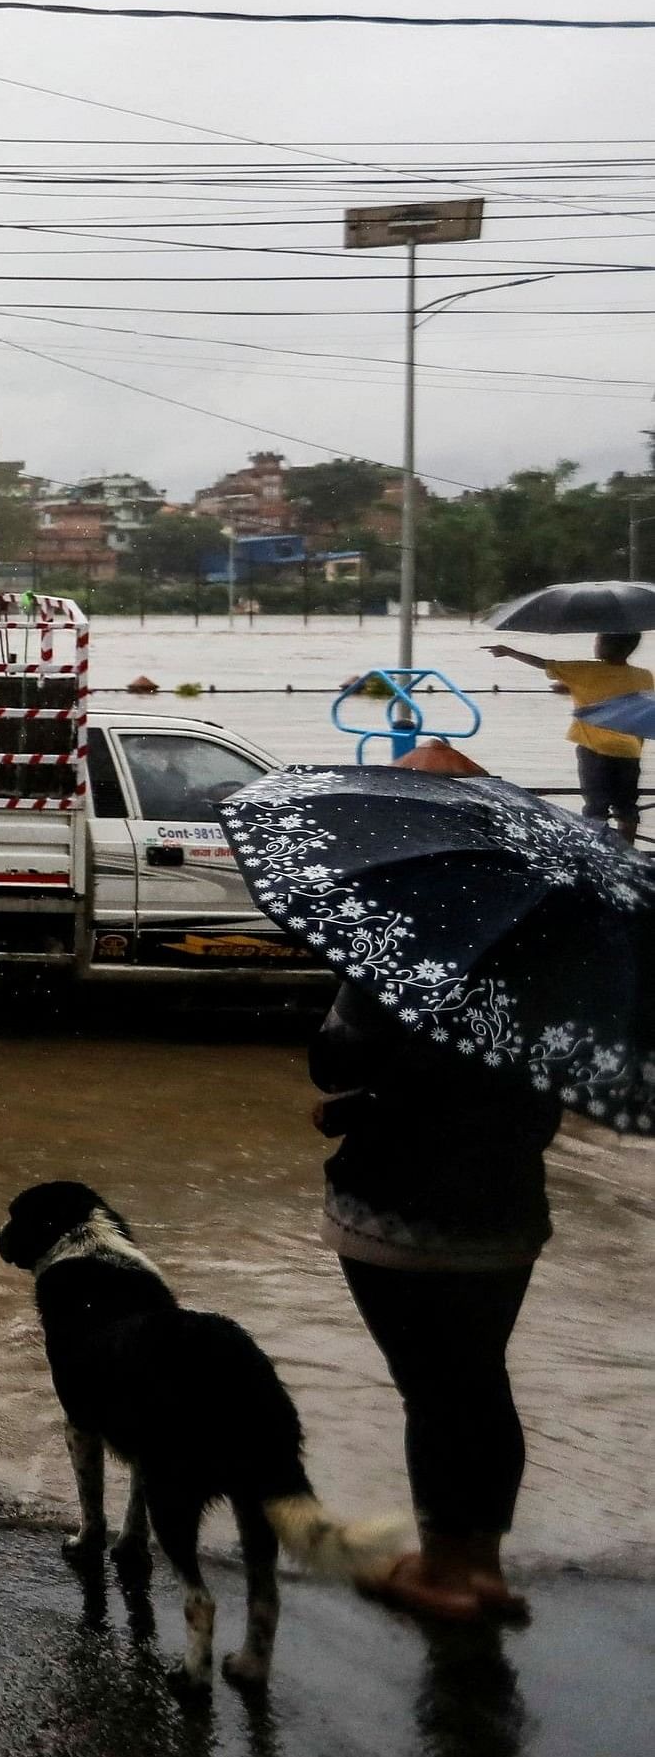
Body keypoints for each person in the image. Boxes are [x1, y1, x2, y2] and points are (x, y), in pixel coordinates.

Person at [310, 979, 557, 1624]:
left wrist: (356, 989)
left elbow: (333, 1060)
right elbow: (520, 1109)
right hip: (505, 1217)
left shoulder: (408, 952)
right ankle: (483, 1569)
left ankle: (441, 1573)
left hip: (396, 1215)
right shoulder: (558, 973)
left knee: (430, 1390)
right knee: (480, 1379)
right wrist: (362, 1109)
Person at [485, 634, 650, 839]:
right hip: (629, 751)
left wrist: (509, 652)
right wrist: (573, 687)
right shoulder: (644, 676)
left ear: (606, 646)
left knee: (595, 809)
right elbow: (626, 696)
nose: (595, 644)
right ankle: (628, 854)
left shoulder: (584, 670)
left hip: (595, 750)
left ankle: (599, 854)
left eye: (598, 640)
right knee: (626, 809)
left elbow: (543, 663)